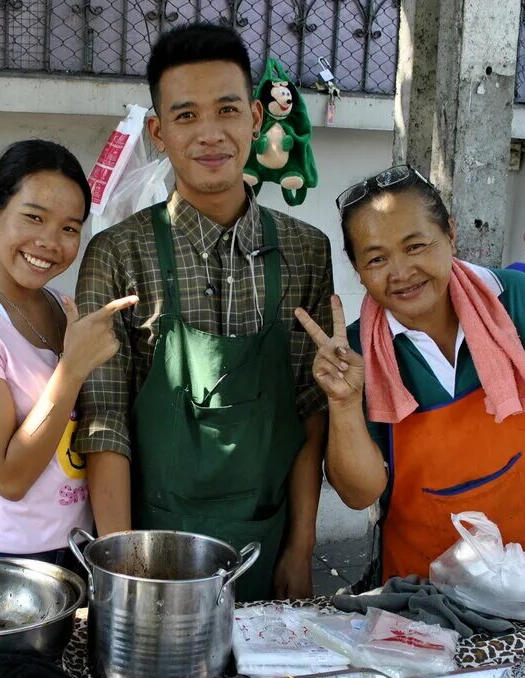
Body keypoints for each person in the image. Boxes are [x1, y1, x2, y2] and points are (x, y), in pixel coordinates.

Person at [73, 23, 335, 601]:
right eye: (186, 115)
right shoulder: (117, 254)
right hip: (151, 555)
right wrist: (120, 570)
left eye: (227, 110)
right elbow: (105, 422)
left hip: (268, 549)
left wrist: (300, 548)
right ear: (158, 132)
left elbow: (310, 409)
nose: (210, 134)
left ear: (257, 120)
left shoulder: (305, 251)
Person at [296, 165, 525, 584]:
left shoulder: (518, 300)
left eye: (416, 246)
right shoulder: (356, 354)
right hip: (426, 592)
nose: (401, 272)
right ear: (358, 269)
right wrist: (345, 403)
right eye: (377, 258)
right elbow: (358, 493)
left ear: (450, 234)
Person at [0, 139, 137, 567]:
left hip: (79, 550)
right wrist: (72, 368)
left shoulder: (64, 311)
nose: (49, 241)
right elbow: (9, 478)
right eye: (33, 218)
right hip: (4, 560)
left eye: (69, 227)